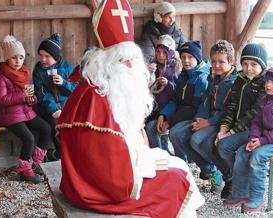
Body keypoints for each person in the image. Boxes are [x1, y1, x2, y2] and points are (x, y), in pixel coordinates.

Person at [56, 1, 204, 217]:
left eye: (133, 59)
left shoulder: (107, 88)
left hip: (98, 177)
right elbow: (110, 165)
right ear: (105, 61)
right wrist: (142, 160)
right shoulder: (94, 97)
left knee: (178, 165)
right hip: (101, 187)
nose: (131, 66)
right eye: (123, 60)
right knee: (178, 177)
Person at [223, 59, 273, 212]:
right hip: (264, 139)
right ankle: (240, 194)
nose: (268, 85)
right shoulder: (265, 99)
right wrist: (253, 138)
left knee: (257, 156)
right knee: (242, 152)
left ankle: (257, 197)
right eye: (267, 81)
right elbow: (256, 121)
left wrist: (262, 141)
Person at [169, 40, 238, 193]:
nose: (217, 65)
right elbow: (205, 102)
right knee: (176, 134)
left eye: (221, 62)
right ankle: (208, 169)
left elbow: (229, 111)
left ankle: (225, 174)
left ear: (231, 61)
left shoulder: (234, 83)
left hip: (221, 122)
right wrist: (199, 118)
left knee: (196, 140)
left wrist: (209, 122)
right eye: (213, 61)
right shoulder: (213, 78)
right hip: (207, 119)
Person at [0, 35, 52, 184]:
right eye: (14, 58)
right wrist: (22, 95)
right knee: (29, 138)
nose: (18, 61)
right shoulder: (1, 77)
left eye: (21, 57)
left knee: (46, 128)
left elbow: (28, 96)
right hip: (10, 116)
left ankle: (36, 163)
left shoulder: (24, 72)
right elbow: (1, 101)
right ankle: (25, 171)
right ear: (7, 58)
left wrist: (32, 100)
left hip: (26, 112)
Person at [213, 43, 268, 199]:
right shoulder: (240, 79)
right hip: (237, 127)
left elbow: (254, 113)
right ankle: (237, 179)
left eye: (253, 64)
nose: (248, 68)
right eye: (244, 63)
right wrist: (223, 129)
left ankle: (240, 181)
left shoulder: (265, 83)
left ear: (262, 66)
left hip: (255, 129)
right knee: (218, 144)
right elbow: (230, 107)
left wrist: (231, 132)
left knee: (224, 146)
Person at [146, 40, 210, 161]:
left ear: (198, 58)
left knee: (174, 133)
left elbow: (193, 108)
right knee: (150, 126)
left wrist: (169, 122)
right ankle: (162, 159)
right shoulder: (184, 75)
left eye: (190, 57)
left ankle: (182, 162)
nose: (186, 60)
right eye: (183, 57)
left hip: (194, 116)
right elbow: (175, 99)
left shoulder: (201, 78)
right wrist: (163, 115)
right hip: (180, 114)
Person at [33, 33, 76, 161]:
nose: (43, 59)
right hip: (48, 109)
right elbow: (41, 93)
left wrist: (64, 83)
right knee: (54, 127)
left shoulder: (67, 68)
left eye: (47, 56)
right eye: (41, 55)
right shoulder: (38, 71)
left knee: (73, 127)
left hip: (67, 106)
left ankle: (72, 154)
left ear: (56, 57)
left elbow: (76, 90)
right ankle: (63, 156)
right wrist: (53, 109)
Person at [145, 35, 180, 153]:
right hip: (155, 109)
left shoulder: (176, 69)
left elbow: (179, 93)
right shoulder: (153, 66)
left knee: (152, 128)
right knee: (149, 127)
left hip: (169, 109)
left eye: (164, 53)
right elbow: (147, 88)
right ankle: (163, 152)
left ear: (170, 53)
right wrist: (148, 74)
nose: (160, 56)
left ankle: (160, 154)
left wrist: (168, 84)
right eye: (158, 52)